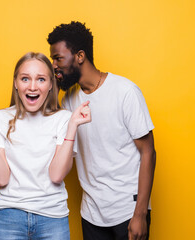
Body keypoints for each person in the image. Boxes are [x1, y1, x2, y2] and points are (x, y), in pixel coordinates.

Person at [47, 22, 156, 240]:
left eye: (58, 58)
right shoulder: (69, 99)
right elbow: (50, 135)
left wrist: (140, 214)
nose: (54, 65)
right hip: (91, 214)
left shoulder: (125, 92)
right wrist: (55, 87)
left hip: (127, 211)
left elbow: (148, 153)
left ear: (79, 56)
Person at [0, 52, 91, 240]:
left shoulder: (64, 119)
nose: (32, 87)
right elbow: (1, 179)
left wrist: (73, 126)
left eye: (41, 79)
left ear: (51, 85)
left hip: (52, 218)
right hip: (9, 216)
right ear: (16, 83)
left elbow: (56, 176)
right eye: (25, 78)